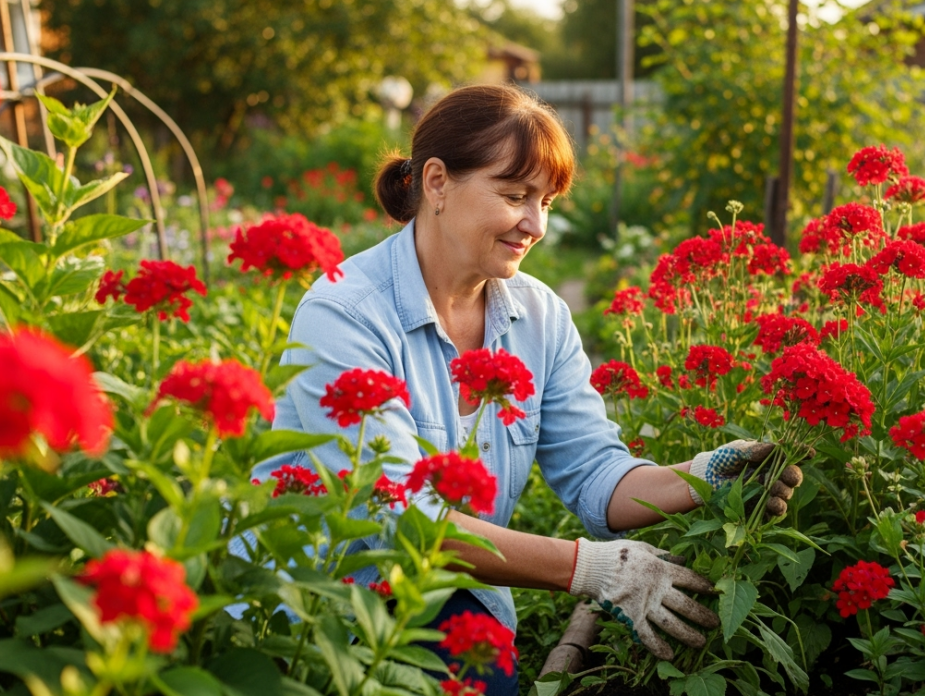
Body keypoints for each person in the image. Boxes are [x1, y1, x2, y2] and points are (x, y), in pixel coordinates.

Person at [248, 84, 801, 694]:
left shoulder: (538, 317)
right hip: (317, 613)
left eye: (548, 202)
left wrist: (704, 476)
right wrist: (591, 569)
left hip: (451, 599)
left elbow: (595, 474)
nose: (535, 224)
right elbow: (398, 521)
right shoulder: (346, 313)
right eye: (515, 196)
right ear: (436, 183)